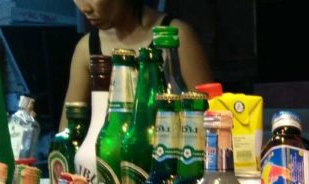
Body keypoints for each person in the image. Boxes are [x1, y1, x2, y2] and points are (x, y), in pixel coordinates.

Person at [62, 0, 212, 129]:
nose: (84, 8)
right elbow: (67, 130)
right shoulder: (86, 48)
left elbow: (211, 120)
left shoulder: (178, 36)